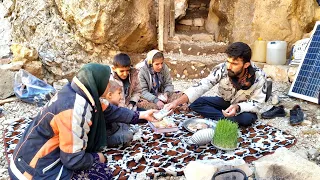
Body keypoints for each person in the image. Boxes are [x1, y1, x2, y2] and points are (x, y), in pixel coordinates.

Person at [8, 63, 158, 180]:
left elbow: (113, 112)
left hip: (22, 158)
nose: (109, 83)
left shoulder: (75, 91)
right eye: (107, 81)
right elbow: (72, 160)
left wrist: (142, 115)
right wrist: (96, 158)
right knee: (102, 173)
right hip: (31, 172)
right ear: (97, 82)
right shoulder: (75, 108)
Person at [165, 42, 267, 127]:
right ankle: (227, 119)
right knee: (196, 103)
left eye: (234, 64)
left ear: (246, 65)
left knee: (247, 119)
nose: (229, 66)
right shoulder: (222, 69)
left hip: (242, 107)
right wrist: (176, 103)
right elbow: (203, 85)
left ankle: (229, 119)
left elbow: (258, 104)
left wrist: (237, 107)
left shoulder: (260, 77)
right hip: (225, 101)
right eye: (228, 61)